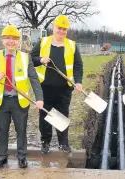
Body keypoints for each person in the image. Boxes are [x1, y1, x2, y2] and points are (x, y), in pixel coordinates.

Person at [0, 25, 44, 169]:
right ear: (2, 40)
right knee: (2, 130)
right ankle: (2, 158)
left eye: (14, 39)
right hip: (1, 102)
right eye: (7, 38)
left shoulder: (25, 57)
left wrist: (39, 98)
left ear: (18, 42)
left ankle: (22, 157)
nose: (11, 41)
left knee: (21, 131)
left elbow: (34, 79)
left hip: (20, 102)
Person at [31, 15, 83, 154]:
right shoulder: (43, 42)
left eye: (64, 29)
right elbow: (31, 60)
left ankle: (63, 143)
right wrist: (41, 59)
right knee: (45, 116)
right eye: (59, 28)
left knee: (62, 115)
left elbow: (78, 65)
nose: (62, 31)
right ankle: (45, 142)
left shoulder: (71, 45)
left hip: (64, 89)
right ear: (53, 28)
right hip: (45, 88)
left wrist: (78, 82)